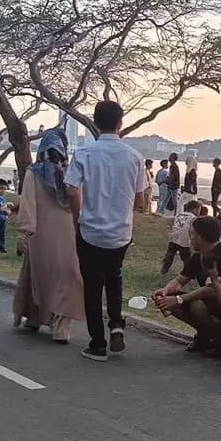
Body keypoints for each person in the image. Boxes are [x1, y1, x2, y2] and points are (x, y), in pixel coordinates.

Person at [66, 101, 147, 362]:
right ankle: (116, 324)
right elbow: (140, 201)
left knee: (92, 287)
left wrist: (78, 217)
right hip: (121, 233)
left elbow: (71, 189)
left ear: (95, 122)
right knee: (114, 278)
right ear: (120, 123)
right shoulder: (135, 157)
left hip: (90, 230)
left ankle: (98, 345)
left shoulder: (84, 153)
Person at [12, 125, 84, 344]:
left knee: (40, 275)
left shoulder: (34, 173)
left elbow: (28, 204)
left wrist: (24, 232)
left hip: (43, 233)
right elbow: (80, 201)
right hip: (67, 232)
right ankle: (60, 325)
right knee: (67, 276)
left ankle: (40, 318)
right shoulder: (70, 171)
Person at [154, 214, 221, 353]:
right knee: (168, 300)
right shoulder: (199, 256)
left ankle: (218, 339)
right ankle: (205, 335)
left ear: (201, 237)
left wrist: (179, 299)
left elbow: (212, 289)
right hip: (210, 302)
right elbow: (180, 280)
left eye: (192, 234)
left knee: (197, 305)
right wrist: (165, 291)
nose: (190, 238)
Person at [160, 199, 200, 274]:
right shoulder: (193, 218)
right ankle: (188, 272)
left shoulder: (179, 214)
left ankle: (164, 269)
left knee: (170, 254)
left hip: (174, 237)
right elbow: (193, 230)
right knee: (186, 257)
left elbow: (172, 221)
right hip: (184, 239)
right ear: (195, 209)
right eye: (199, 210)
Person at [162, 151, 181, 216]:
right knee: (166, 199)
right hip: (171, 185)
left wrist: (167, 180)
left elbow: (173, 176)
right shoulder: (172, 166)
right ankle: (162, 211)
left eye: (170, 157)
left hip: (174, 186)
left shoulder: (174, 166)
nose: (169, 158)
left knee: (174, 200)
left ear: (173, 158)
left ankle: (176, 213)